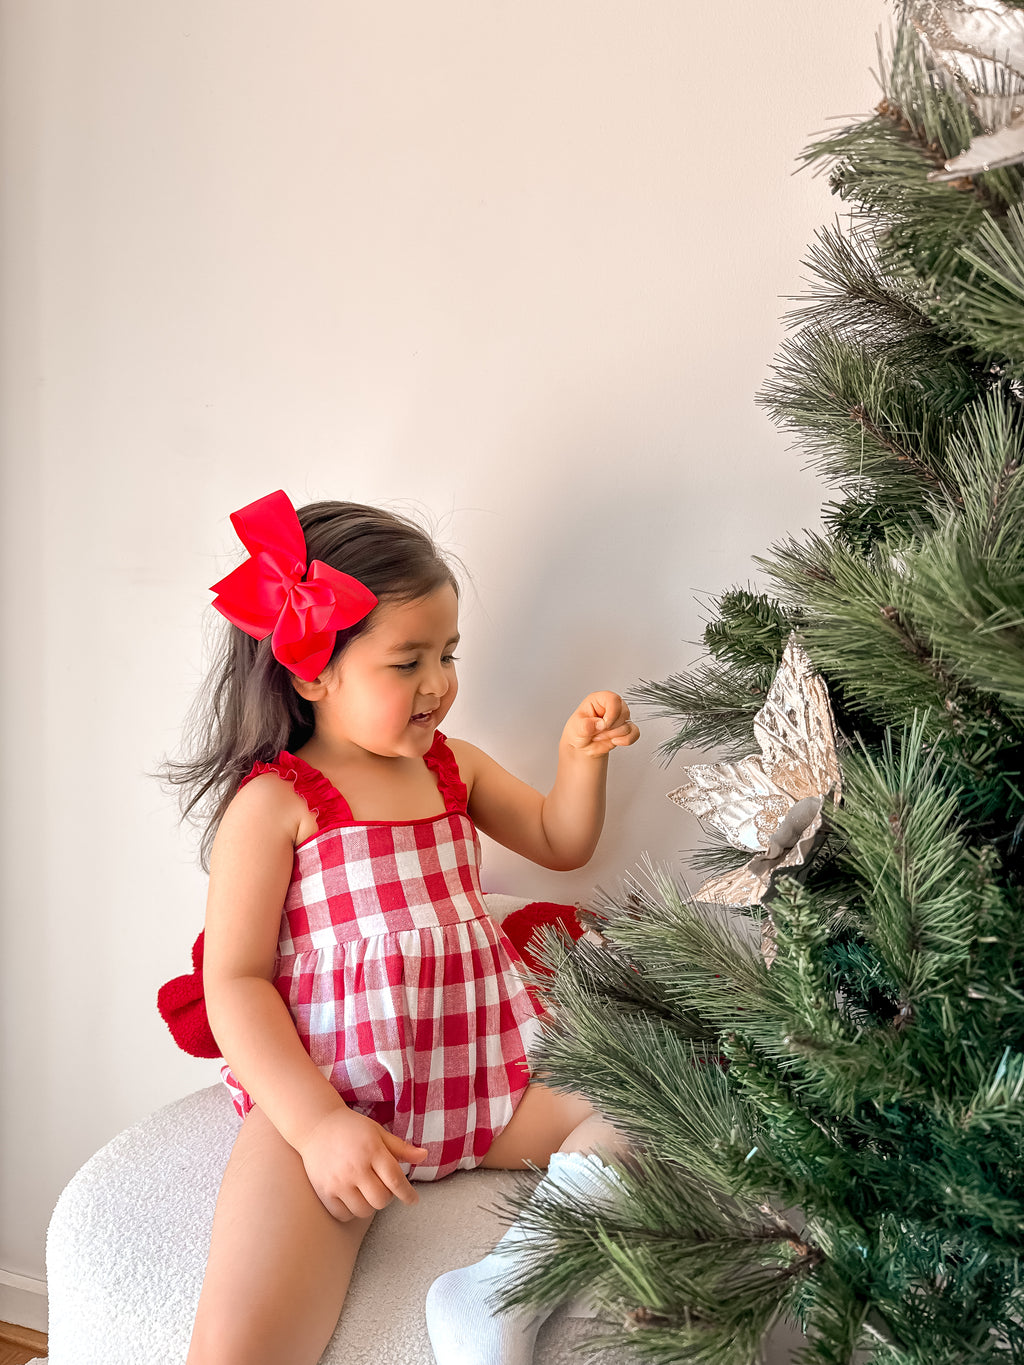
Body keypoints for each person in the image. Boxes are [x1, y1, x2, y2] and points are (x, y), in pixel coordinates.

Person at [171, 490, 640, 1365]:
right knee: (241, 1343)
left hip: (477, 1076)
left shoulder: (450, 765)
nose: (439, 683)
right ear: (313, 672)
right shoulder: (276, 805)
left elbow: (558, 840)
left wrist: (579, 763)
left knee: (650, 1096)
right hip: (340, 1088)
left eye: (449, 653)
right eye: (407, 661)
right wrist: (315, 1125)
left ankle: (502, 1289)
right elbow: (233, 980)